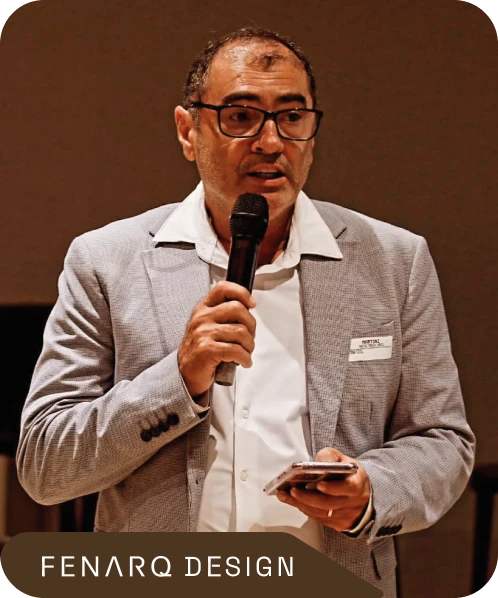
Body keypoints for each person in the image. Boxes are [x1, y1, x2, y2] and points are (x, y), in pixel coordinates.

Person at [16, 27, 475, 598]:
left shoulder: (394, 260)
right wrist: (177, 379)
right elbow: (46, 465)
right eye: (240, 117)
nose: (270, 141)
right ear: (188, 131)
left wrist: (370, 491)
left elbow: (441, 440)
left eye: (292, 117)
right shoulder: (106, 261)